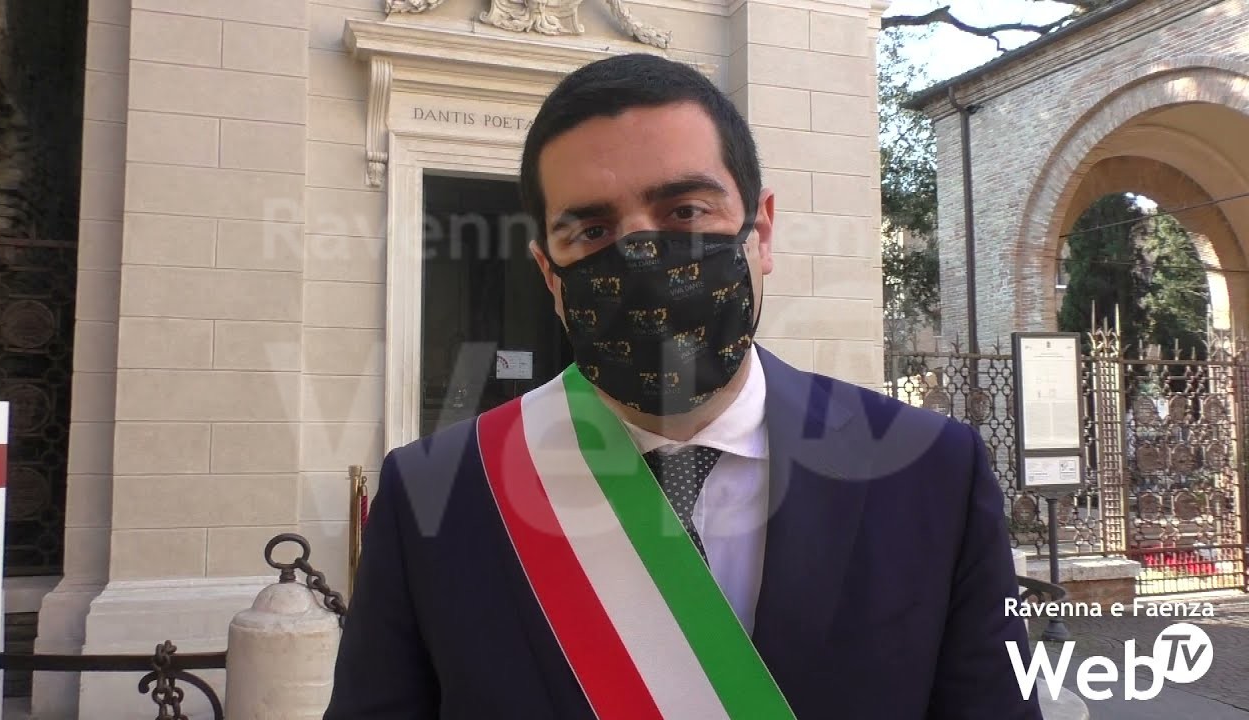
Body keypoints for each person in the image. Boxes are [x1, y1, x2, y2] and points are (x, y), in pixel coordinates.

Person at [324, 53, 1042, 719]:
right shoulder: (435, 495)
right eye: (592, 231)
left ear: (761, 233)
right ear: (550, 275)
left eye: (686, 212)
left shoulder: (931, 473)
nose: (642, 257)